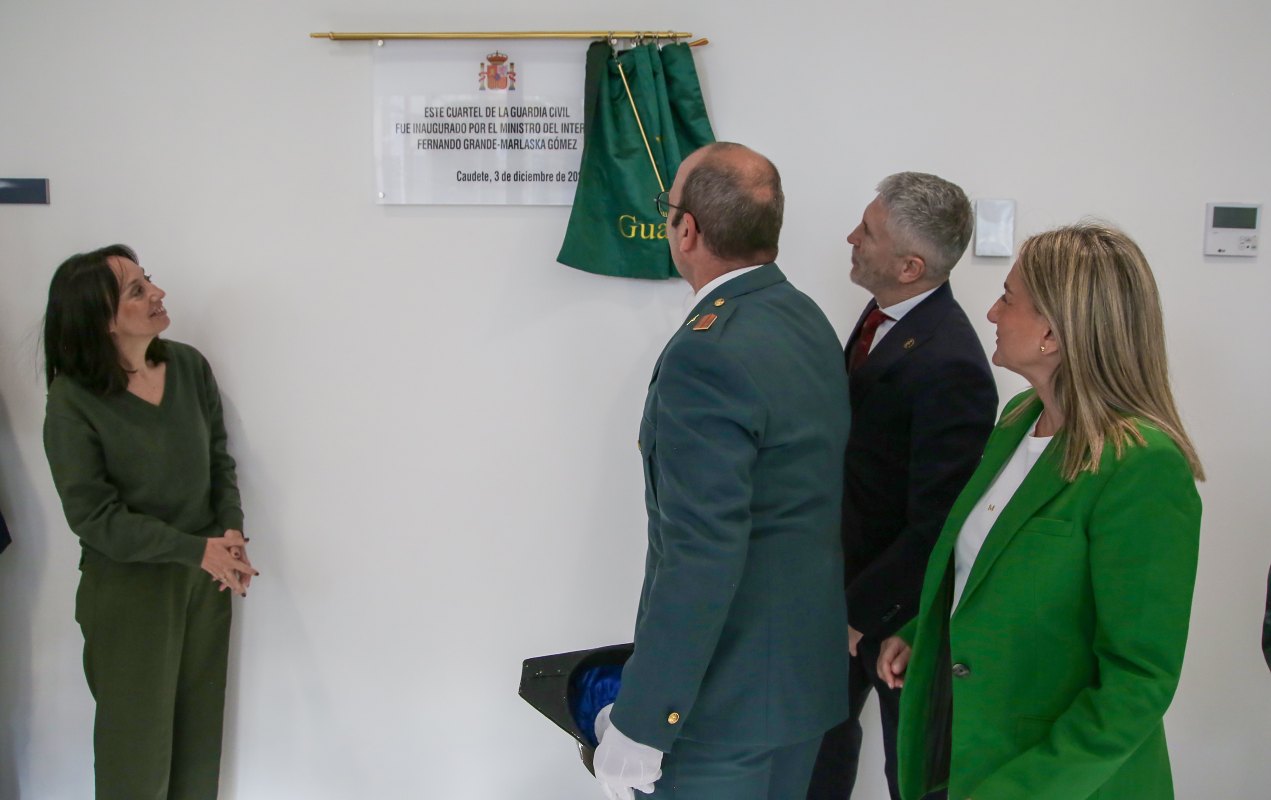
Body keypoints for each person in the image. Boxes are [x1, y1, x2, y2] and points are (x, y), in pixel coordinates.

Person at [877, 223, 1204, 800]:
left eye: (1008, 297)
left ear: (1052, 332)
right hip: (962, 743)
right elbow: (990, 571)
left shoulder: (1143, 466)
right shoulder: (1019, 418)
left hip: (1052, 779)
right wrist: (926, 632)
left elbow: (1137, 682)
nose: (992, 314)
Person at [592, 142, 852, 800]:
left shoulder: (706, 354)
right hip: (801, 691)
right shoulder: (805, 319)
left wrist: (645, 719)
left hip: (724, 707)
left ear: (687, 230)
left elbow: (699, 553)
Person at [42, 244, 258, 800]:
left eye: (148, 281)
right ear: (100, 320)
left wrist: (229, 534)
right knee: (135, 761)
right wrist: (199, 550)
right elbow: (94, 517)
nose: (157, 293)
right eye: (136, 290)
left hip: (204, 583)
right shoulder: (73, 400)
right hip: (129, 597)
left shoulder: (187, 366)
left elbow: (218, 460)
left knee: (198, 745)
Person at [808, 173, 997, 800]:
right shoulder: (880, 312)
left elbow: (940, 519)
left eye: (868, 232)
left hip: (895, 617)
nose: (851, 238)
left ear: (911, 266)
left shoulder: (953, 364)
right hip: (840, 591)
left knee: (910, 776)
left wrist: (862, 615)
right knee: (818, 756)